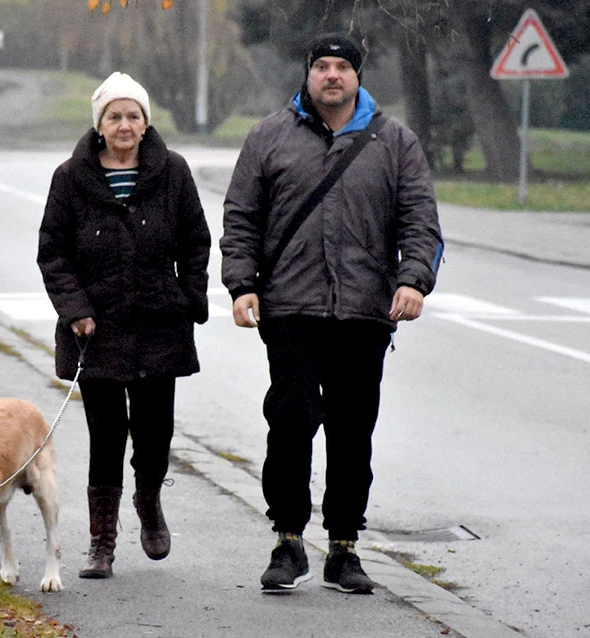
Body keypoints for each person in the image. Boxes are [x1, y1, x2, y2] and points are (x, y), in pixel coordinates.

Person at [220, 33, 444, 594]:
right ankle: (288, 541)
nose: (332, 75)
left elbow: (421, 222)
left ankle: (343, 548)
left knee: (351, 434)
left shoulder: (395, 142)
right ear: (308, 74)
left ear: (358, 76)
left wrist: (414, 280)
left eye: (342, 66)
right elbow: (241, 218)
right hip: (291, 308)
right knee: (291, 421)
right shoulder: (268, 137)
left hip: (365, 311)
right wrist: (241, 285)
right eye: (322, 66)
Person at [37, 72, 211, 579]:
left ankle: (149, 497)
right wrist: (76, 310)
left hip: (160, 325)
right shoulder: (70, 177)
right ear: (99, 124)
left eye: (133, 115)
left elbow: (196, 241)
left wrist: (188, 297)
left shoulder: (173, 172)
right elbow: (53, 252)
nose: (124, 124)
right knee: (106, 436)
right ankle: (102, 543)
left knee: (155, 434)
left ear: (145, 121)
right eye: (114, 116)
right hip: (98, 330)